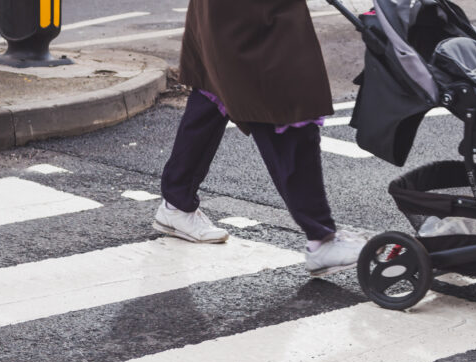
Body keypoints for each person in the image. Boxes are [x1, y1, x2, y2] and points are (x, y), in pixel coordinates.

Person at [152, 0, 367, 277]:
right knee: (284, 103)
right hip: (255, 14)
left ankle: (177, 202)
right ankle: (321, 239)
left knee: (215, 86)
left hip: (226, 13)